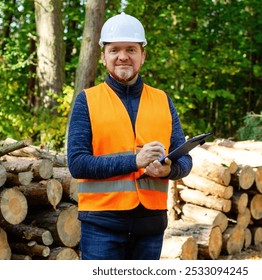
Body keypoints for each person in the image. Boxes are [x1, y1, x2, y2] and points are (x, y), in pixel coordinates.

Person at [67, 12, 193, 260]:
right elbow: (77, 163)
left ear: (143, 56)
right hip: (102, 226)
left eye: (131, 49)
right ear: (103, 57)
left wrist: (168, 171)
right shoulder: (87, 100)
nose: (123, 56)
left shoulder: (162, 100)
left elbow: (185, 160)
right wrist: (134, 161)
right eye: (114, 50)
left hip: (151, 227)